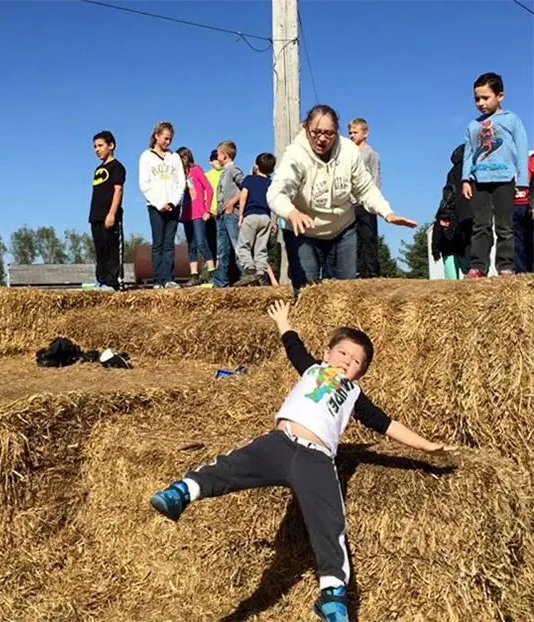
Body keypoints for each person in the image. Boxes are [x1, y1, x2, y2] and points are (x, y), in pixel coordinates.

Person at [150, 300, 456, 622]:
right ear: (327, 353)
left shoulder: (353, 394)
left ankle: (332, 595)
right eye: (343, 354)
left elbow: (386, 424)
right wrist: (283, 321)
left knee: (330, 522)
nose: (347, 362)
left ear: (360, 374)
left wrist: (425, 446)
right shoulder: (312, 368)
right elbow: (293, 348)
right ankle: (182, 492)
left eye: (356, 362)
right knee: (231, 466)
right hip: (280, 443)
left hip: (317, 459)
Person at [267, 105, 416, 294]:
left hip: (342, 231)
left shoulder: (349, 151)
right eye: (316, 132)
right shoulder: (295, 155)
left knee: (344, 294)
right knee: (307, 294)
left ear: (336, 132)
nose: (322, 139)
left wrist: (387, 212)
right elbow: (276, 193)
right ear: (306, 129)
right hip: (304, 232)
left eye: (329, 133)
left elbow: (365, 188)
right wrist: (291, 212)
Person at [461, 72, 529, 279]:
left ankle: (505, 266)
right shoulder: (473, 125)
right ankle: (478, 266)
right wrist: (466, 179)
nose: (480, 103)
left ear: (500, 96)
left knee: (504, 226)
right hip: (479, 181)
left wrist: (523, 182)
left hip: (504, 180)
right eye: (476, 99)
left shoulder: (511, 120)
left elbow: (522, 148)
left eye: (485, 98)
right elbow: (469, 153)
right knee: (480, 225)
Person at [139, 121, 186, 289]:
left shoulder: (174, 158)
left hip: (173, 206)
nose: (167, 142)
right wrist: (159, 203)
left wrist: (173, 202)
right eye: (165, 138)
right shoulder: (146, 156)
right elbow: (144, 184)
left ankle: (169, 278)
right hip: (155, 206)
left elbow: (181, 182)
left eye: (170, 139)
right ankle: (158, 279)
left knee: (169, 243)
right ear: (156, 136)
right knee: (158, 242)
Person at [88, 130, 126, 292]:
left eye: (100, 146)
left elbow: (118, 191)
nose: (97, 149)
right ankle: (101, 280)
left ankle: (113, 282)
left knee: (111, 249)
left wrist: (111, 214)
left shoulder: (117, 167)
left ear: (111, 146)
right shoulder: (98, 169)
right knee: (100, 250)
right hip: (95, 216)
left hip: (109, 216)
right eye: (95, 146)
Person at [234, 152, 277, 286]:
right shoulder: (271, 184)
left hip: (251, 216)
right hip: (265, 218)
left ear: (256, 166)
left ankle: (249, 269)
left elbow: (243, 197)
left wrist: (241, 215)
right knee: (261, 249)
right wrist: (274, 221)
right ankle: (260, 273)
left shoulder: (249, 180)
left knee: (243, 246)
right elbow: (274, 203)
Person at [176, 147, 216, 286]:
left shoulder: (196, 170)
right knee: (191, 246)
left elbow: (209, 189)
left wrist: (207, 210)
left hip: (198, 213)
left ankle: (212, 273)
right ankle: (194, 275)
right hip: (187, 213)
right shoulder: (180, 176)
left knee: (201, 243)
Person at [431, 145, 472, 279]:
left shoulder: (452, 172)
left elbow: (448, 193)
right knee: (471, 242)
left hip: (459, 213)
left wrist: (444, 212)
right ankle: (473, 270)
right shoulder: (471, 168)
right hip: (471, 210)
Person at [348, 118, 381, 278]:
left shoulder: (371, 154)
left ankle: (372, 270)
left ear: (365, 133)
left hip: (366, 200)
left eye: (355, 132)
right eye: (350, 133)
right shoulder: (349, 154)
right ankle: (358, 270)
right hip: (351, 202)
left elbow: (375, 176)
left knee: (368, 236)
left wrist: (374, 199)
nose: (352, 135)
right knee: (355, 238)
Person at [212, 141, 245, 288]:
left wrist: (232, 202)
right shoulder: (223, 172)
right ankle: (220, 281)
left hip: (231, 214)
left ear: (224, 156)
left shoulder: (233, 170)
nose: (216, 157)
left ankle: (246, 275)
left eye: (218, 154)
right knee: (222, 249)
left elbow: (245, 187)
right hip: (221, 216)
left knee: (237, 244)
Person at [513, 151, 534, 273]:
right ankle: (521, 270)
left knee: (528, 239)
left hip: (526, 202)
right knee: (518, 240)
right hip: (517, 204)